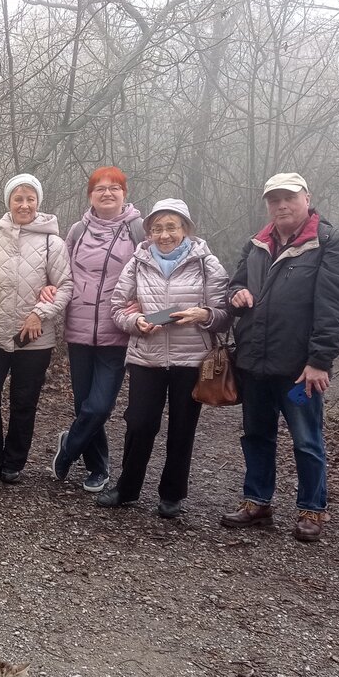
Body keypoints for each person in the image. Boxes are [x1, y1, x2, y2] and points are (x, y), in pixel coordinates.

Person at [221, 173, 339, 543]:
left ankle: (312, 510)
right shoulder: (257, 244)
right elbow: (233, 286)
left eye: (289, 198)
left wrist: (320, 360)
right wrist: (236, 296)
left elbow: (338, 310)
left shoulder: (330, 244)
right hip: (254, 361)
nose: (281, 205)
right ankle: (257, 502)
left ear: (307, 199)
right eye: (274, 199)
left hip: (300, 368)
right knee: (255, 435)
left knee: (306, 440)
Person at [95, 198, 232, 517]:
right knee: (139, 424)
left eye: (171, 226)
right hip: (147, 357)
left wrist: (204, 314)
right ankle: (127, 488)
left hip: (192, 359)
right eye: (157, 228)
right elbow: (116, 308)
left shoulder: (206, 262)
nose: (164, 234)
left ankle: (172, 495)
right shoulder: (138, 261)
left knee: (182, 428)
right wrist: (135, 322)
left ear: (185, 228)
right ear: (149, 232)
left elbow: (224, 315)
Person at [0, 173, 73, 483]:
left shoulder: (52, 243)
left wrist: (39, 314)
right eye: (18, 199)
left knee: (23, 402)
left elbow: (66, 285)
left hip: (35, 338)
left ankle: (14, 461)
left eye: (30, 199)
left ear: (38, 202)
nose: (24, 204)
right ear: (9, 203)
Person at [50, 166, 144, 491]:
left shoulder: (138, 229)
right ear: (90, 195)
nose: (107, 193)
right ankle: (98, 467)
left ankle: (69, 448)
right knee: (83, 403)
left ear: (124, 194)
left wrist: (144, 304)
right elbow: (59, 270)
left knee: (100, 404)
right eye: (99, 188)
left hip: (116, 330)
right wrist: (48, 289)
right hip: (78, 328)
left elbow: (154, 272)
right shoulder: (78, 230)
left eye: (113, 188)